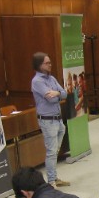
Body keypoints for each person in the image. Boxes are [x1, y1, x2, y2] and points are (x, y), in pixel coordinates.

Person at [30, 52, 69, 187]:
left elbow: (64, 93)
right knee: (52, 152)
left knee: (55, 151)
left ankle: (54, 178)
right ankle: (51, 181)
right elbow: (51, 99)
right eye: (47, 63)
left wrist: (57, 93)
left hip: (58, 120)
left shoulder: (51, 79)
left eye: (50, 62)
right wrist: (58, 95)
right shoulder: (37, 81)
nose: (50, 65)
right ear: (39, 65)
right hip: (47, 121)